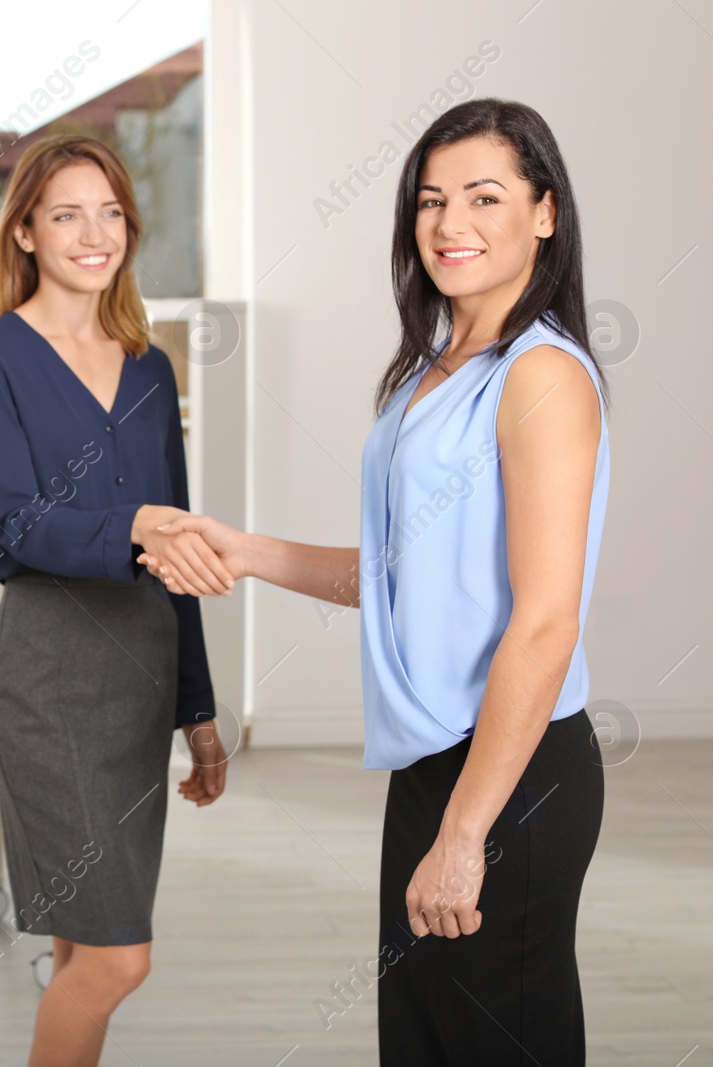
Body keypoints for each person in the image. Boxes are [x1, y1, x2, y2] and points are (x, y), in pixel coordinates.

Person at [143, 100, 610, 1066]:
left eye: (486, 197)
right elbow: (401, 578)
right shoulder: (429, 373)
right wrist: (245, 549)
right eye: (431, 200)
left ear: (545, 213)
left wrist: (467, 829)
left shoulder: (540, 376)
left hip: (508, 772)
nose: (451, 224)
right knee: (428, 1043)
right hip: (434, 764)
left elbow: (546, 622)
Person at [0, 134, 232, 1067]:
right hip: (49, 680)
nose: (93, 231)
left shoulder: (149, 365)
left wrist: (197, 708)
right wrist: (138, 523)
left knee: (84, 946)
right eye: (66, 213)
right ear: (24, 231)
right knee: (116, 957)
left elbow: (178, 542)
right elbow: (17, 531)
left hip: (140, 682)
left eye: (110, 211)